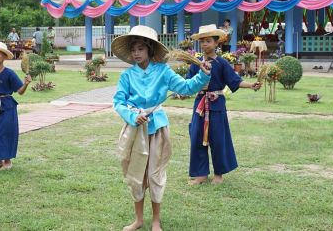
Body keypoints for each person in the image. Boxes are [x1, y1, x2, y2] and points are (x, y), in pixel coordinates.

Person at [112, 25, 211, 231]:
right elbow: (119, 102)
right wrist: (133, 116)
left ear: (149, 48)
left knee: (155, 174)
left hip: (156, 129)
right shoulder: (127, 76)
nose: (136, 53)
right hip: (134, 129)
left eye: (140, 48)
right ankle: (138, 220)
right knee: (135, 174)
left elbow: (186, 87)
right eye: (133, 49)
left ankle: (156, 221)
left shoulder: (163, 71)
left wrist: (202, 76)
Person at [186, 24, 261, 186]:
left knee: (218, 139)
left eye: (208, 41)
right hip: (199, 105)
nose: (205, 44)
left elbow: (235, 81)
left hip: (216, 106)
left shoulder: (222, 63)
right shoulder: (196, 63)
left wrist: (251, 85)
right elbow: (187, 83)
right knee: (197, 137)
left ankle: (219, 174)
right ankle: (201, 174)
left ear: (216, 43)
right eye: (202, 42)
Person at [0, 42, 32, 171]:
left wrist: (25, 84)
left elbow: (19, 91)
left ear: (4, 57)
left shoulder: (9, 73)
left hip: (7, 107)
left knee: (3, 134)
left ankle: (7, 161)